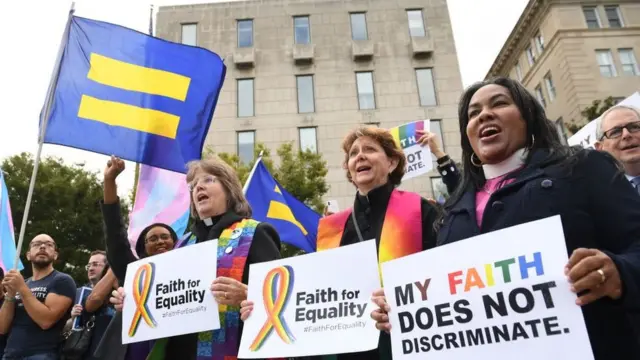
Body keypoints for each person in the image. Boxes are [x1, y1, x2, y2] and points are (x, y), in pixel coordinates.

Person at [371, 77, 640, 359]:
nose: (484, 114)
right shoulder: (453, 208)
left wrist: (618, 273)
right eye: (473, 113)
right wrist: (402, 307)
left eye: (499, 103)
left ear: (528, 118)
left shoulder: (582, 168)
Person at [242, 126, 459, 360]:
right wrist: (263, 306)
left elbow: (446, 274)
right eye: (353, 153)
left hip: (409, 342)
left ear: (392, 163)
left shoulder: (421, 210)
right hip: (349, 349)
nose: (360, 156)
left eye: (370, 149)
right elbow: (316, 297)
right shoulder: (330, 227)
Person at [110, 155, 282, 360]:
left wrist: (248, 294)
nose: (199, 187)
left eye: (209, 180)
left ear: (229, 190)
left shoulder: (256, 233)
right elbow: (162, 297)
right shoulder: (181, 245)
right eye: (193, 186)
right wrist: (132, 301)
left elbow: (282, 298)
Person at [93, 156, 181, 360]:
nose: (160, 241)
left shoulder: (187, 272)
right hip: (132, 349)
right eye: (153, 239)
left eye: (165, 237)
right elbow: (115, 235)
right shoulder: (133, 270)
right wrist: (109, 181)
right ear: (142, 249)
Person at [0, 234, 76, 360]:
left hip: (41, 354)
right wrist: (11, 295)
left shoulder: (62, 280)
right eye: (36, 244)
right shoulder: (23, 283)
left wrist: (22, 288)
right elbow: (2, 328)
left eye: (49, 244)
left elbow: (46, 321)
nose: (42, 247)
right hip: (10, 354)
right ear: (28, 255)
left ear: (55, 255)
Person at [595, 105, 640, 194]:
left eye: (634, 127)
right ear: (600, 148)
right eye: (615, 132)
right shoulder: (597, 195)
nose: (626, 135)